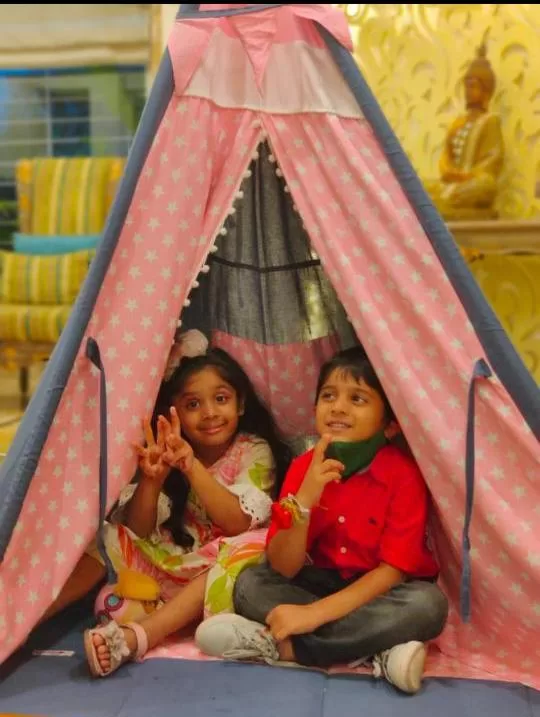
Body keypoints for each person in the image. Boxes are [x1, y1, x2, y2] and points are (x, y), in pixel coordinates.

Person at [195, 346, 449, 695]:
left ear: (389, 424)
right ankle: (377, 648)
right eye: (328, 396)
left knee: (428, 605)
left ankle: (285, 648)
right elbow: (283, 567)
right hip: (319, 581)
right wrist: (304, 501)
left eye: (357, 399)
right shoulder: (303, 467)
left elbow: (391, 573)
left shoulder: (404, 474)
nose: (338, 407)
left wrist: (313, 615)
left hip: (381, 591)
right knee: (250, 584)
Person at [39, 330, 291, 677]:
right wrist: (153, 480)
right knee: (105, 538)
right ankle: (25, 619)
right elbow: (138, 531)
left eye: (221, 399)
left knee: (250, 546)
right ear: (176, 413)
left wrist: (191, 466)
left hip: (225, 573)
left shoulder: (253, 449)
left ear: (241, 404)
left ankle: (135, 638)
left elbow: (237, 523)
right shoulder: (169, 450)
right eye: (193, 405)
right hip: (177, 564)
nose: (209, 413)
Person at [425, 40, 504, 220]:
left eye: (473, 86)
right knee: (420, 186)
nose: (468, 91)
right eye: (466, 86)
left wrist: (467, 176)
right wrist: (448, 171)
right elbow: (446, 156)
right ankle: (444, 199)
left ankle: (444, 200)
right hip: (453, 183)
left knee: (487, 185)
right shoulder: (458, 123)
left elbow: (492, 161)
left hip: (472, 182)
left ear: (486, 91)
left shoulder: (490, 121)